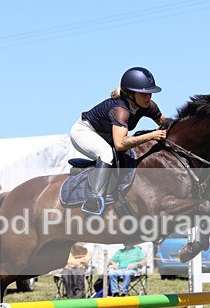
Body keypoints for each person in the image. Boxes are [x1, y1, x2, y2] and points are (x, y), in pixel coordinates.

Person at [70, 67, 170, 215]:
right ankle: (94, 199)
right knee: (106, 154)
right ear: (130, 94)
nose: (148, 97)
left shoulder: (148, 106)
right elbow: (120, 144)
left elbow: (165, 122)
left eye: (150, 93)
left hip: (107, 135)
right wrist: (151, 136)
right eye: (143, 93)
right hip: (84, 132)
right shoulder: (120, 110)